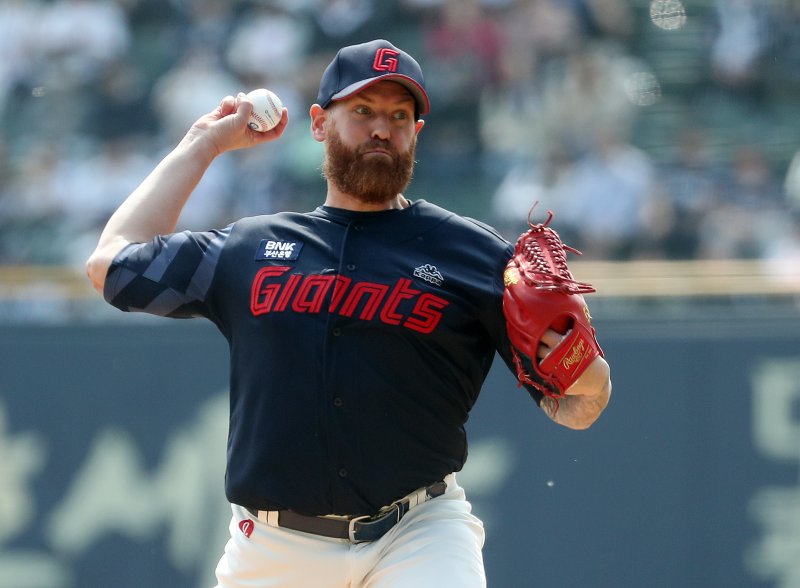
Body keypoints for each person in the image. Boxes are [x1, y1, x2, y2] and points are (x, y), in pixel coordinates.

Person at [86, 39, 611, 588]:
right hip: (274, 547)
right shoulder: (250, 248)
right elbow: (110, 266)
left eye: (399, 116)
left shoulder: (475, 255)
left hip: (419, 532)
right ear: (319, 123)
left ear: (416, 132)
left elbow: (579, 406)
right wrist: (203, 143)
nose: (382, 129)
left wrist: (587, 374)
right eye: (362, 110)